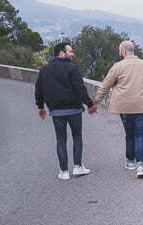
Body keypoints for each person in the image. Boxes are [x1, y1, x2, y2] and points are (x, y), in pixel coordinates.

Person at [93, 40, 143, 179]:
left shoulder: (117, 66)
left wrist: (95, 101)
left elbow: (105, 86)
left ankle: (130, 161)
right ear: (133, 50)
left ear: (122, 52)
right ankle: (140, 165)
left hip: (125, 107)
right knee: (141, 135)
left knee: (130, 134)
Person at [35, 42, 97, 180]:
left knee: (61, 140)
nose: (72, 54)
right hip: (74, 110)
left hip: (56, 112)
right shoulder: (71, 68)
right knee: (77, 137)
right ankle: (77, 167)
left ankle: (63, 172)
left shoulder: (44, 70)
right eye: (70, 51)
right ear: (62, 53)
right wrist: (90, 104)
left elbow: (38, 90)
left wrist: (40, 107)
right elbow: (80, 88)